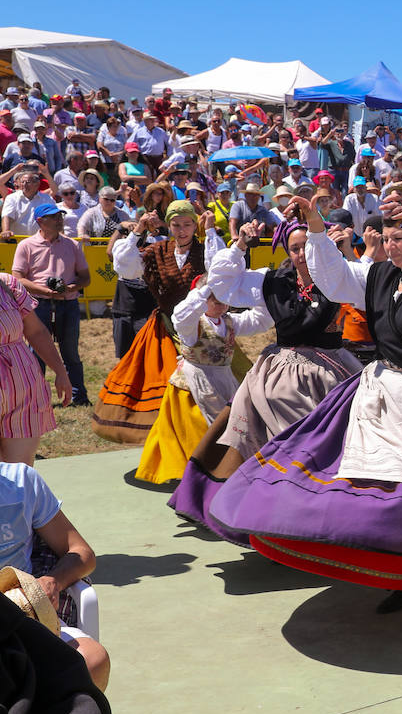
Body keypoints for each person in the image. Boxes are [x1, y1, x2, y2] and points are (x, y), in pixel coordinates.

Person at [208, 197, 402, 633]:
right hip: (376, 392)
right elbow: (333, 278)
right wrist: (316, 228)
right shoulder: (378, 275)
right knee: (381, 494)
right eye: (389, 238)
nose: (394, 246)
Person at [168, 216, 363, 542]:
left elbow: (372, 280)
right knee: (275, 427)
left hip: (334, 366)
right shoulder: (272, 281)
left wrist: (344, 249)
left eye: (308, 246)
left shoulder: (337, 275)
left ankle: (338, 511)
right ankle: (275, 512)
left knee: (352, 425)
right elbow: (221, 281)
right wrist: (241, 244)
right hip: (284, 370)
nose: (302, 254)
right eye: (295, 248)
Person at [94, 205, 223, 442]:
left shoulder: (205, 251)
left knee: (207, 387)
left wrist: (212, 230)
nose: (182, 230)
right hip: (164, 327)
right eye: (176, 225)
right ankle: (167, 438)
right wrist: (139, 229)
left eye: (187, 224)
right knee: (165, 384)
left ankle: (203, 439)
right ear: (168, 226)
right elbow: (124, 266)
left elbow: (219, 272)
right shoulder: (156, 250)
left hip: (199, 330)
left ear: (196, 226)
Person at [133, 278, 269, 486]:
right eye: (214, 299)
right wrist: (206, 287)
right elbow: (181, 314)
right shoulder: (192, 324)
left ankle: (221, 471)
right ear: (203, 299)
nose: (221, 303)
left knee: (229, 428)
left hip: (223, 381)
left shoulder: (230, 321)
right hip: (192, 387)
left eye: (224, 298)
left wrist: (260, 289)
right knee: (197, 434)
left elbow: (261, 320)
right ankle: (199, 475)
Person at [0, 462, 112, 691]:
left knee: (93, 660)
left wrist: (52, 581)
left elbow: (82, 553)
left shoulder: (22, 480)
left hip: (22, 614)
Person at [10, 203, 90, 405]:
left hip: (68, 303)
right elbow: (17, 278)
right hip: (38, 305)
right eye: (53, 217)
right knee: (36, 352)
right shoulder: (26, 245)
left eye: (60, 216)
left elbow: (86, 278)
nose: (59, 220)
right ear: (40, 221)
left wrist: (70, 288)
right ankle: (35, 398)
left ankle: (78, 396)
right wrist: (44, 290)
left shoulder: (73, 244)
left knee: (71, 351)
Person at [0, 273, 70, 464]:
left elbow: (36, 331)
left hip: (25, 391)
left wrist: (60, 371)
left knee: (21, 473)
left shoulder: (8, 285)